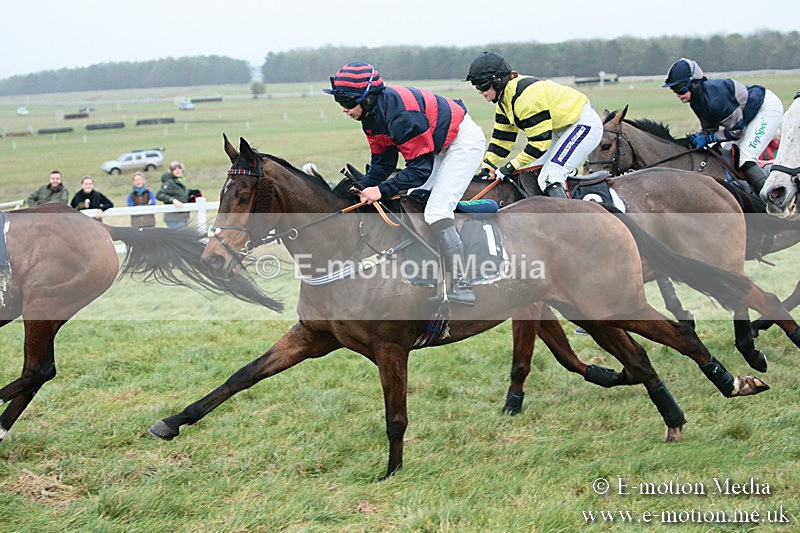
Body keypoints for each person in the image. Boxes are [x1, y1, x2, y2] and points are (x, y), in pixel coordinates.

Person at [324, 62, 486, 305]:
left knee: (436, 210)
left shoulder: (401, 117)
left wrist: (379, 190)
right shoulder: (371, 116)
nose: (344, 110)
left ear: (367, 99)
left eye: (347, 103)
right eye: (340, 103)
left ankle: (463, 284)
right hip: (438, 145)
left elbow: (419, 171)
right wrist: (363, 185)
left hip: (462, 142)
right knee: (413, 200)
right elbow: (382, 161)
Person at [465, 51, 603, 199]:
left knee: (550, 177)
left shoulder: (525, 99)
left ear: (498, 80)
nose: (480, 92)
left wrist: (509, 167)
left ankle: (567, 219)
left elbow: (539, 143)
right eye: (476, 87)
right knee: (532, 175)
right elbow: (502, 140)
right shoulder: (504, 101)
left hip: (582, 125)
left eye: (483, 86)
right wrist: (487, 166)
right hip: (562, 129)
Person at [662, 58, 784, 194]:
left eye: (680, 88)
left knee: (744, 158)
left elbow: (736, 132)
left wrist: (708, 139)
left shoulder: (715, 99)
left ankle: (772, 199)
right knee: (727, 155)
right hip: (745, 117)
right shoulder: (696, 102)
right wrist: (701, 136)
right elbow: (710, 129)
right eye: (674, 90)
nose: (678, 94)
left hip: (765, 109)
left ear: (694, 83)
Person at [156, 160, 191, 228]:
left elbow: (180, 196)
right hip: (174, 218)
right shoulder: (169, 182)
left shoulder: (178, 182)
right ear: (171, 171)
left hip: (183, 217)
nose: (177, 170)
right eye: (174, 169)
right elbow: (159, 195)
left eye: (179, 168)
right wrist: (172, 200)